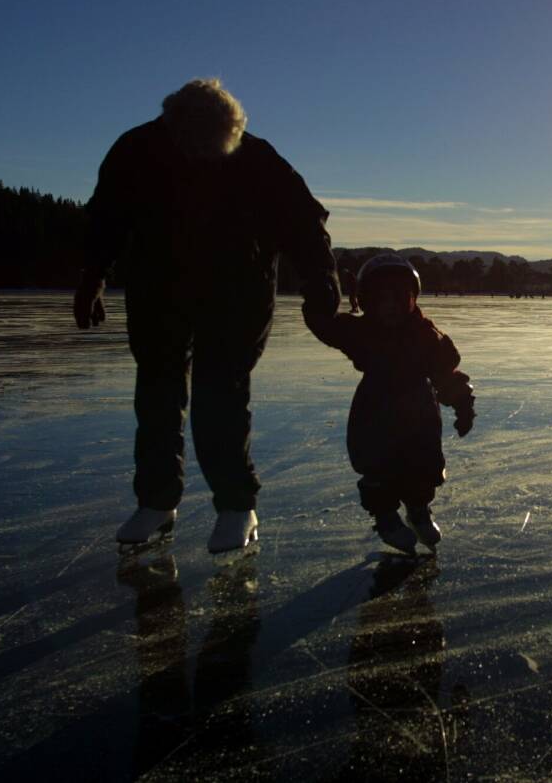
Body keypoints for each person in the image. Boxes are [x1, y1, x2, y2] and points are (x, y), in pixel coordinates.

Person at [75, 79, 340, 554]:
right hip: (160, 291)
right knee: (157, 394)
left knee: (221, 397)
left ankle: (237, 506)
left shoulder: (257, 157)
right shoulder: (137, 150)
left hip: (239, 292)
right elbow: (106, 217)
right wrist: (92, 275)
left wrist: (322, 282)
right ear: (175, 132)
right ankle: (157, 502)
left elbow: (305, 221)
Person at [304, 254, 475, 555]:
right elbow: (325, 325)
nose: (391, 307)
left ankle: (419, 510)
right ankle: (385, 517)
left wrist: (463, 405)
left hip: (419, 410)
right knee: (377, 465)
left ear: (412, 299)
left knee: (424, 464)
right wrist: (320, 290)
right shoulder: (361, 332)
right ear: (369, 300)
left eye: (400, 299)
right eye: (383, 300)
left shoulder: (426, 337)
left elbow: (445, 375)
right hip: (375, 409)